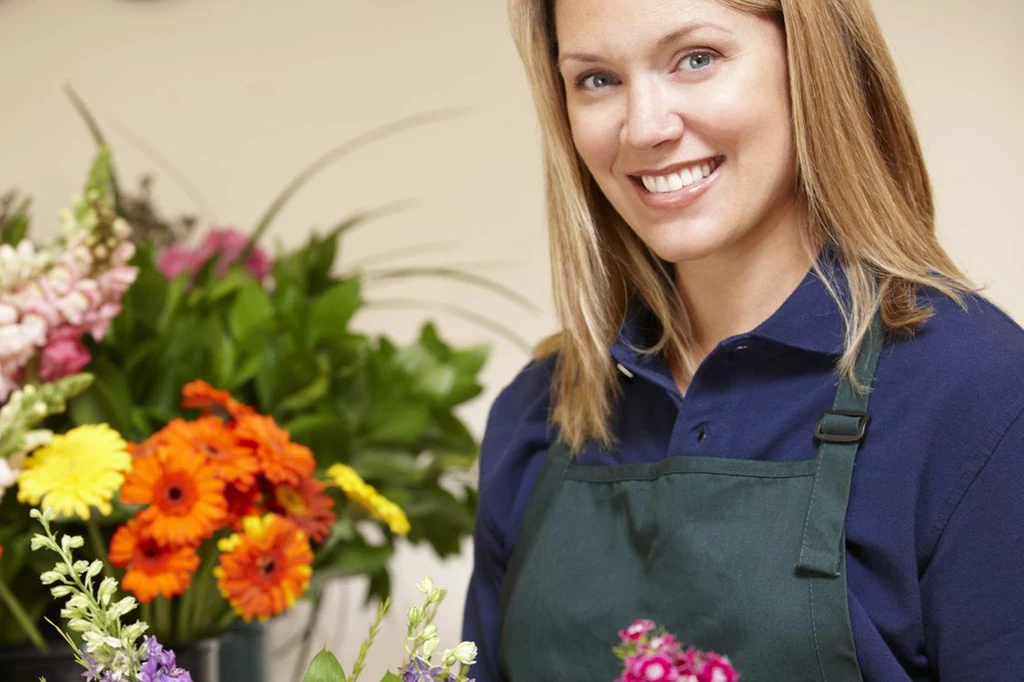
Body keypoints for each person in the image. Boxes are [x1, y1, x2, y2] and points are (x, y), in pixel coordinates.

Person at [462, 0, 1024, 680]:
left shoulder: (978, 398)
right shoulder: (539, 416)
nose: (644, 128)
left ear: (811, 65)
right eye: (597, 79)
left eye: (696, 59)